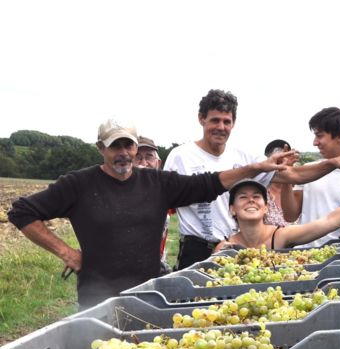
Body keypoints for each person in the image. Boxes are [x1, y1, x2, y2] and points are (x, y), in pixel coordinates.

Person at [7, 119, 291, 309]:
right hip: (98, 298)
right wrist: (66, 252)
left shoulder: (157, 184)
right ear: (100, 148)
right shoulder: (78, 184)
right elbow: (22, 212)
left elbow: (210, 183)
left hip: (149, 294)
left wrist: (257, 167)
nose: (123, 153)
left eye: (128, 145)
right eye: (115, 146)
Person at [164, 90, 340, 269]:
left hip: (237, 247)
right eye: (215, 120)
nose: (221, 127)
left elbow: (293, 175)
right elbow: (164, 204)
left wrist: (333, 163)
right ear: (201, 119)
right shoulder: (180, 156)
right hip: (196, 248)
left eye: (227, 121)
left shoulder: (243, 156)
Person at [217, 175, 340, 251]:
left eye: (257, 196)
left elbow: (331, 220)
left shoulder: (280, 235)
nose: (250, 200)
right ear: (232, 208)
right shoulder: (225, 247)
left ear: (266, 207)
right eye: (242, 197)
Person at [280, 107, 340, 247]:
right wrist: (287, 176)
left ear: (339, 136)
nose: (315, 142)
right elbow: (290, 215)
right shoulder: (307, 171)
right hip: (305, 254)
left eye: (319, 136)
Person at [133, 136, 171, 273]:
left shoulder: (166, 191)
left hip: (157, 266)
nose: (143, 162)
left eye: (149, 156)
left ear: (158, 162)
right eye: (137, 157)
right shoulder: (115, 191)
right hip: (121, 271)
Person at [263, 139, 297, 226]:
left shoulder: (300, 189)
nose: (282, 165)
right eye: (277, 161)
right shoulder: (260, 193)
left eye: (285, 160)